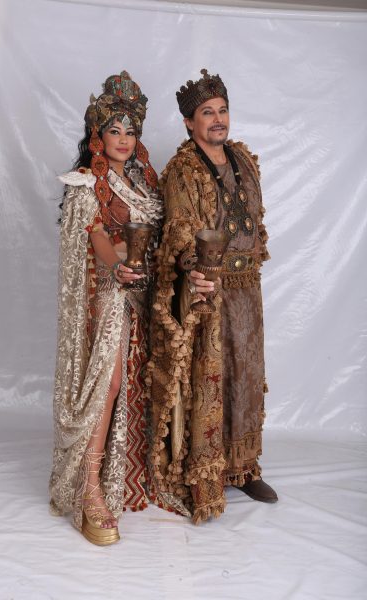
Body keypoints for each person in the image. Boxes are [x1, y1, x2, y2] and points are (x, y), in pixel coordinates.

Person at [147, 69, 277, 524]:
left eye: (222, 110)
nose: (218, 119)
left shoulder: (243, 159)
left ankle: (244, 469)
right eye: (207, 113)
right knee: (210, 379)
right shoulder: (182, 169)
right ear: (189, 122)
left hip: (248, 289)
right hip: (209, 291)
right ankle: (206, 477)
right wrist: (194, 269)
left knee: (247, 375)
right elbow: (180, 230)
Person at [49, 71, 163, 545]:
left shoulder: (145, 182)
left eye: (130, 131)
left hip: (147, 293)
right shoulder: (86, 184)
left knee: (140, 381)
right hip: (111, 293)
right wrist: (117, 266)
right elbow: (96, 237)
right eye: (114, 130)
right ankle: (90, 488)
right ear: (98, 135)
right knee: (108, 383)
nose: (123, 139)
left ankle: (131, 474)